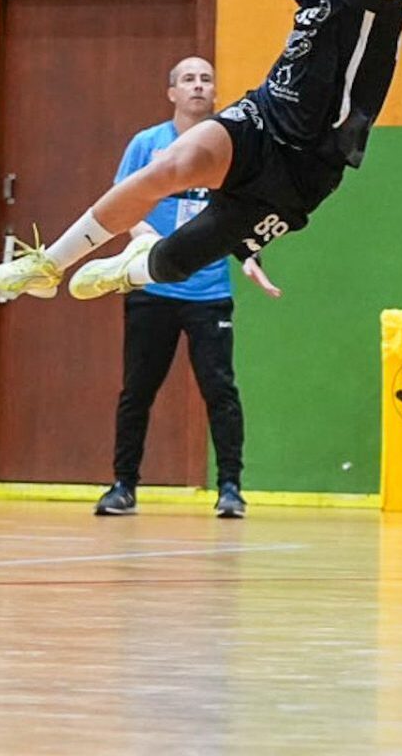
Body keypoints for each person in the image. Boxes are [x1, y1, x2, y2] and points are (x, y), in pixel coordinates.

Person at [0, 0, 402, 304]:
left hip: (308, 163)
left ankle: (135, 265)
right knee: (170, 165)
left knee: (174, 263)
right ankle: (48, 264)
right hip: (263, 116)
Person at [94, 56, 284, 520]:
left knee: (220, 389)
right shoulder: (148, 144)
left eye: (205, 79)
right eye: (188, 79)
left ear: (215, 92)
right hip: (153, 289)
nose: (198, 86)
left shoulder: (228, 144)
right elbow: (122, 203)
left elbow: (243, 213)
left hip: (208, 292)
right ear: (172, 93)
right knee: (138, 388)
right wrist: (147, 241)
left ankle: (231, 488)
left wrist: (250, 255)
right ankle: (123, 486)